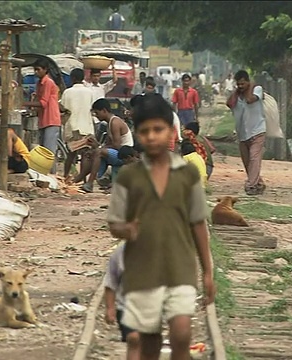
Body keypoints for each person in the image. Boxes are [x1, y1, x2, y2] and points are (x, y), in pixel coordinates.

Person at [106, 93, 216, 360]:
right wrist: (127, 230)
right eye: (145, 131)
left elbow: (198, 223)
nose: (152, 136)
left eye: (158, 129)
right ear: (138, 135)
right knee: (149, 340)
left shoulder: (186, 175)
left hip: (180, 267)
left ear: (170, 131)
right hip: (142, 272)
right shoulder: (130, 178)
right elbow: (114, 223)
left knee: (181, 334)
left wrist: (208, 271)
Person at [79, 98, 134, 193]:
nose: (96, 116)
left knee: (99, 152)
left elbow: (116, 145)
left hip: (124, 154)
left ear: (104, 110)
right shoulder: (109, 123)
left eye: (97, 113)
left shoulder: (115, 122)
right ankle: (81, 179)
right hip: (117, 152)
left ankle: (90, 183)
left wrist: (99, 148)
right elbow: (108, 144)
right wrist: (97, 145)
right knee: (89, 153)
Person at [226, 70, 266, 196]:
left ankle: (251, 186)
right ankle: (259, 183)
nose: (241, 86)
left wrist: (249, 87)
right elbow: (229, 103)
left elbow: (250, 100)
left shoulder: (257, 89)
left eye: (243, 84)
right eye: (239, 84)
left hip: (257, 131)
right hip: (242, 134)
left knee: (254, 158)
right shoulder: (237, 95)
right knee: (247, 162)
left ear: (248, 81)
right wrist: (237, 91)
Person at [23, 60, 61, 174]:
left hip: (51, 119)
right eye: (35, 70)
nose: (36, 72)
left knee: (49, 151)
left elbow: (43, 103)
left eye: (38, 69)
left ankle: (52, 174)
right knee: (43, 149)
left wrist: (24, 103)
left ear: (45, 70)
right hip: (43, 119)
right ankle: (45, 173)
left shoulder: (48, 82)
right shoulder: (39, 83)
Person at [104, 242, 141, 360]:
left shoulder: (159, 251)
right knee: (134, 338)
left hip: (151, 307)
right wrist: (110, 308)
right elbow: (111, 282)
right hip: (126, 307)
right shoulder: (120, 253)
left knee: (149, 343)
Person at [61, 68, 97, 180]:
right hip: (86, 127)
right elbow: (92, 109)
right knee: (86, 155)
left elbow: (63, 108)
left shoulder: (67, 92)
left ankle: (65, 176)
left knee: (71, 155)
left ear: (73, 78)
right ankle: (83, 179)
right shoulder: (89, 92)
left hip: (72, 127)